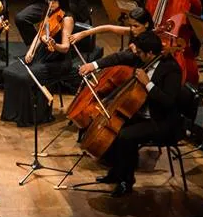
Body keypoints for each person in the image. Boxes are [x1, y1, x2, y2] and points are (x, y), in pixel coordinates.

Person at [78, 31, 183, 197]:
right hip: (140, 113)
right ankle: (116, 173)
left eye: (140, 52)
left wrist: (147, 84)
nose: (137, 55)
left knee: (125, 136)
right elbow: (119, 58)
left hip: (161, 121)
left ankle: (126, 182)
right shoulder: (144, 60)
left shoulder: (171, 70)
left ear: (150, 52)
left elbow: (168, 101)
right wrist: (94, 65)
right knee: (113, 127)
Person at [1, 0, 74, 127]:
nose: (50, 3)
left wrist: (54, 45)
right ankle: (12, 114)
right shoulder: (49, 11)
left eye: (54, 0)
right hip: (42, 55)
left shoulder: (67, 18)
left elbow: (65, 48)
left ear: (62, 0)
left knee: (24, 77)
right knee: (9, 72)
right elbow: (39, 34)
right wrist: (31, 51)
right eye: (48, 0)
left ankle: (31, 117)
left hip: (57, 60)